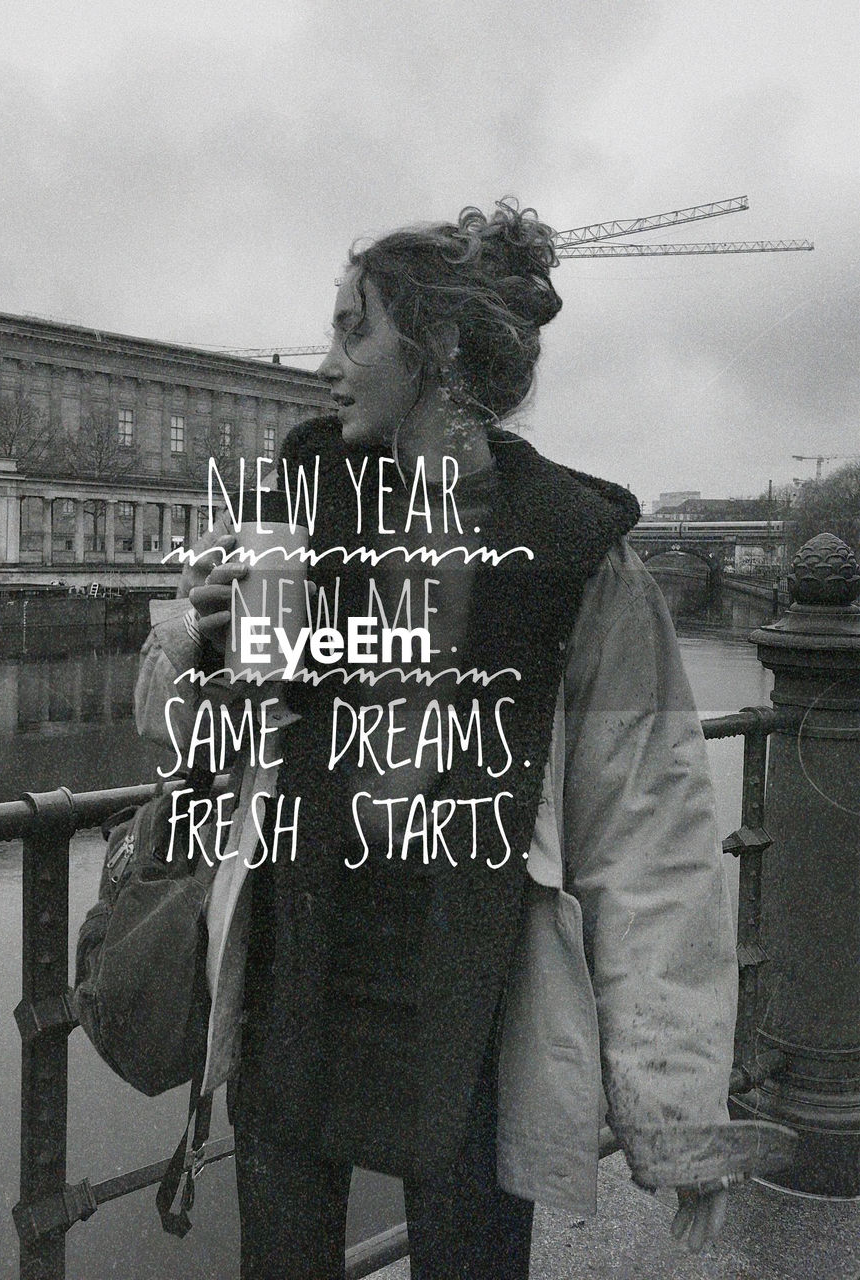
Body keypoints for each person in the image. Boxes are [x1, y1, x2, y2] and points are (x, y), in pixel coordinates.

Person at [135, 198, 738, 1278]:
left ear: (440, 349)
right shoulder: (294, 515)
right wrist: (192, 640)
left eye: (350, 329)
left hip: (468, 1007)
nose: (323, 362)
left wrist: (675, 1113)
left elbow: (649, 839)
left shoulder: (573, 555)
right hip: (292, 976)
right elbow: (188, 741)